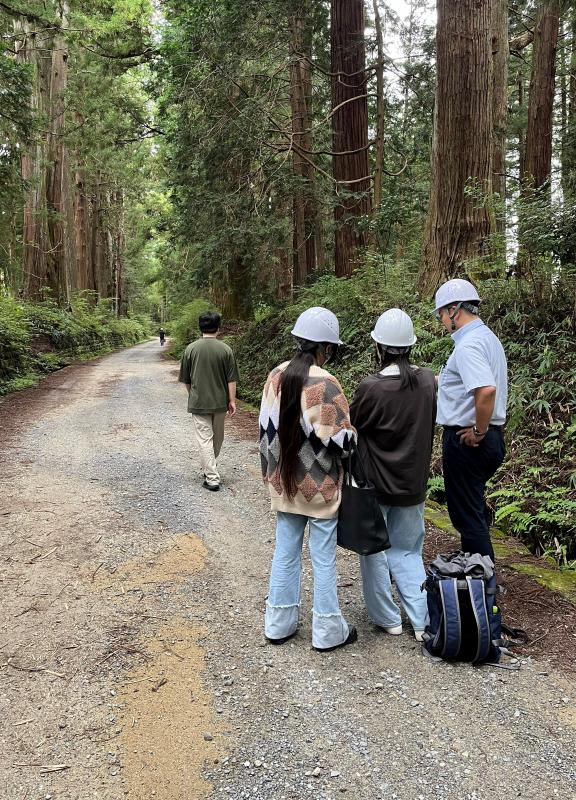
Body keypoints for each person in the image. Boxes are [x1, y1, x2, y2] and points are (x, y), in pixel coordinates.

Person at [259, 307, 357, 652]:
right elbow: (339, 439)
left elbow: (265, 432)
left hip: (283, 482)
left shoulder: (275, 376)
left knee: (285, 552)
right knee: (323, 557)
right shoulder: (325, 383)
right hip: (320, 487)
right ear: (326, 347)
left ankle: (278, 623)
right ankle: (328, 630)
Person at [350, 309, 436, 642]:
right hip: (413, 485)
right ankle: (422, 621)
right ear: (411, 345)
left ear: (379, 347)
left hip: (376, 486)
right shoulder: (428, 380)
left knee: (374, 551)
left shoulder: (372, 387)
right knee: (409, 551)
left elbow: (351, 426)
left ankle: (388, 618)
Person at [434, 278, 507, 561]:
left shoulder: (468, 345)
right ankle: (478, 572)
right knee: (472, 506)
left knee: (466, 515)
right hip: (491, 437)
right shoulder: (486, 338)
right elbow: (465, 381)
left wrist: (478, 429)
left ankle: (481, 584)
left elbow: (486, 390)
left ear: (454, 310)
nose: (441, 320)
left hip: (469, 440)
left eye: (441, 313)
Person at [178, 311, 239, 492]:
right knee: (217, 438)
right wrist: (232, 400)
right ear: (218, 328)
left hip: (199, 402)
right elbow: (231, 378)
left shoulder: (191, 349)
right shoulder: (226, 349)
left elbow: (186, 380)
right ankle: (212, 477)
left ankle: (209, 470)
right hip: (220, 402)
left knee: (206, 439)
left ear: (200, 328)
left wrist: (193, 394)